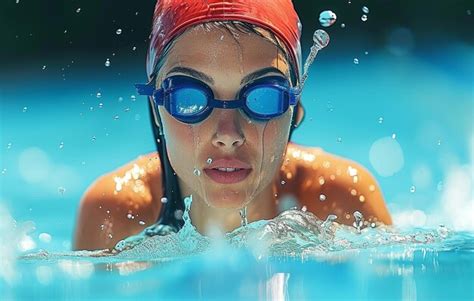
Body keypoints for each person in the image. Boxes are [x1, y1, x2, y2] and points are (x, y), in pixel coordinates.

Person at [73, 0, 392, 251]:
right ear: (157, 109)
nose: (228, 134)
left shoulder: (340, 201)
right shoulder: (115, 214)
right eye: (190, 98)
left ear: (294, 111)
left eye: (263, 97)